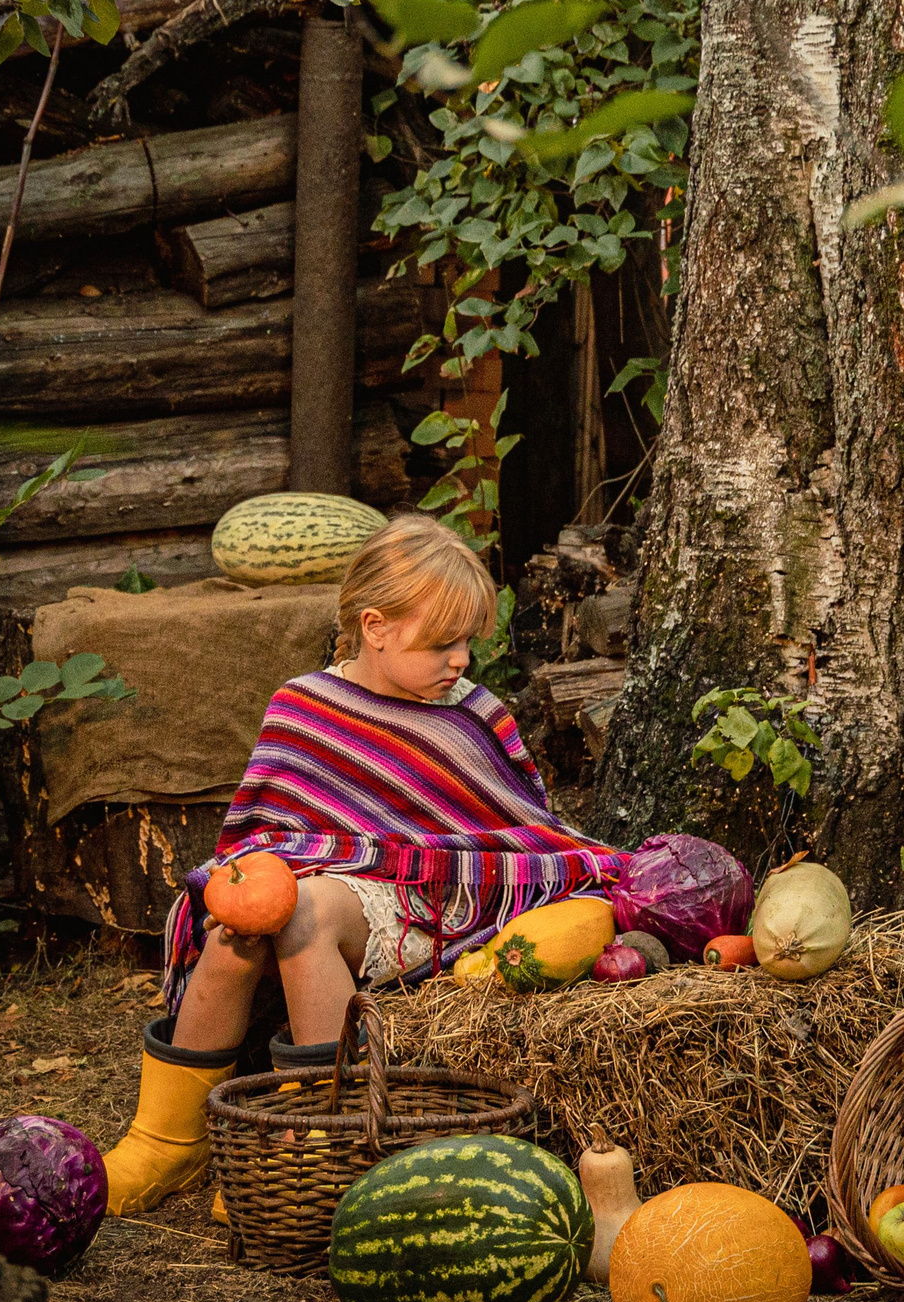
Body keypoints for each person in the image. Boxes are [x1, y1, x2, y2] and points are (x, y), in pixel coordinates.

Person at [98, 514, 619, 1216]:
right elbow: (267, 831)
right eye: (442, 643)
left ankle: (318, 1136)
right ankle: (167, 1141)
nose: (461, 660)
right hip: (326, 879)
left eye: (467, 642)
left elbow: (513, 833)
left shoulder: (473, 714)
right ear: (377, 626)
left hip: (426, 901)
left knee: (303, 913)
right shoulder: (304, 705)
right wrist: (268, 878)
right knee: (234, 930)